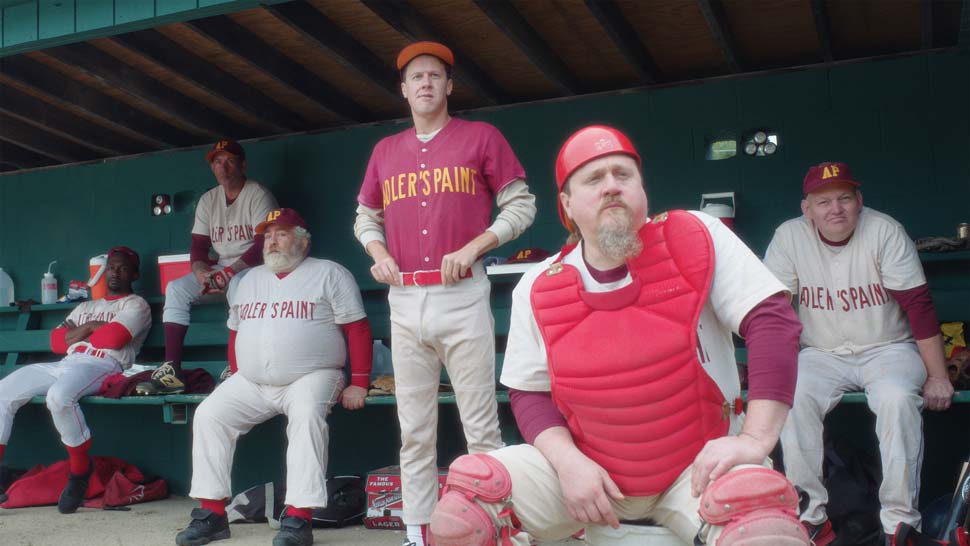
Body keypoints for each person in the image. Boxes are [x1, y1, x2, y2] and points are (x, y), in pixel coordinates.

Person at [428, 125, 811, 546]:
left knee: (764, 531)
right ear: (567, 204)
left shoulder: (696, 236)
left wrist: (755, 439)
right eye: (594, 178)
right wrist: (568, 462)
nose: (611, 186)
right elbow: (529, 392)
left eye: (623, 174)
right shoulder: (538, 286)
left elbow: (773, 320)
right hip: (589, 476)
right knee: (465, 512)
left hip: (698, 469)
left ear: (642, 190)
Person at [354, 41, 536, 546]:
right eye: (417, 77)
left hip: (461, 292)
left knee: (480, 426)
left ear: (449, 85)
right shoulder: (385, 151)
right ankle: (417, 533)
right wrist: (377, 251)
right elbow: (365, 216)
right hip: (405, 296)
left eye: (435, 75)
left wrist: (478, 246)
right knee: (414, 430)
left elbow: (520, 206)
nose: (426, 83)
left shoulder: (481, 136)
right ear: (404, 89)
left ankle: (497, 527)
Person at [763, 162, 955, 545]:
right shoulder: (789, 237)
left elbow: (918, 306)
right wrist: (770, 377)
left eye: (845, 198)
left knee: (897, 399)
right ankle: (810, 515)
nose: (836, 209)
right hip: (822, 353)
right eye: (824, 201)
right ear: (807, 209)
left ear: (859, 201)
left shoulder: (884, 230)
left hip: (888, 348)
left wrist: (938, 376)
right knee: (792, 398)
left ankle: (899, 524)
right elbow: (775, 313)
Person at [175, 208, 372, 546]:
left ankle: (298, 517)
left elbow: (357, 328)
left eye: (281, 233)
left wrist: (360, 381)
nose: (272, 241)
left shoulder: (330, 273)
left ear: (302, 241)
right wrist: (237, 376)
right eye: (267, 235)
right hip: (252, 381)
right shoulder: (247, 280)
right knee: (210, 415)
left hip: (313, 375)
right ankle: (212, 513)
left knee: (307, 416)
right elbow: (235, 333)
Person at [0, 247, 150, 513]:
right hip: (67, 362)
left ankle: (80, 470)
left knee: (59, 397)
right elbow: (57, 342)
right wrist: (94, 327)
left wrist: (84, 330)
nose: (115, 272)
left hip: (103, 364)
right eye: (111, 267)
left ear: (134, 274)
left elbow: (112, 340)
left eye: (123, 268)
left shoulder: (136, 305)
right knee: (5, 390)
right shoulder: (86, 305)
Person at [140, 139, 278, 395]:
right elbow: (198, 246)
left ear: (243, 165)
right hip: (224, 268)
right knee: (176, 289)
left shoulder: (258, 194)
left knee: (238, 284)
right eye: (217, 161)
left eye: (230, 161)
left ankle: (238, 368)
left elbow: (263, 246)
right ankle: (173, 371)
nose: (223, 168)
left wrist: (229, 272)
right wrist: (201, 272)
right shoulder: (208, 200)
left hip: (258, 269)